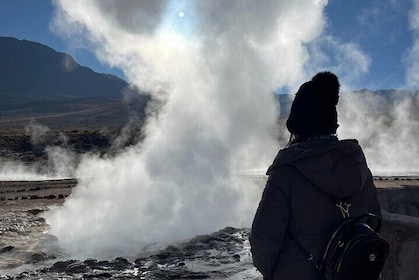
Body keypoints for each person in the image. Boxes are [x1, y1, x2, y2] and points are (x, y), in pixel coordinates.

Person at [249, 71, 382, 280]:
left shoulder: (287, 171)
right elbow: (373, 222)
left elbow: (263, 241)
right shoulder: (356, 166)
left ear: (297, 125)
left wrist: (277, 273)